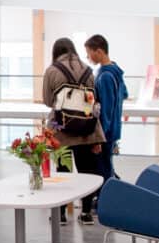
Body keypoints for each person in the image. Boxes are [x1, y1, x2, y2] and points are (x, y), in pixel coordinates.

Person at [43, 37, 105, 225]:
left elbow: (47, 101)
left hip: (62, 130)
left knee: (63, 171)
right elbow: (93, 101)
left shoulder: (52, 71)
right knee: (87, 172)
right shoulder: (88, 71)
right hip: (87, 129)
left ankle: (61, 214)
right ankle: (86, 212)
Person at [85, 34, 128, 189]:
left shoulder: (105, 76)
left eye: (89, 52)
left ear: (99, 51)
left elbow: (106, 110)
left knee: (103, 169)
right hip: (114, 128)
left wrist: (99, 138)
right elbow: (124, 94)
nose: (88, 57)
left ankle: (106, 200)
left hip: (105, 131)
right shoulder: (116, 71)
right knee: (107, 166)